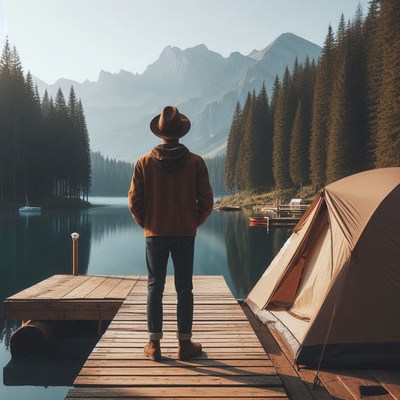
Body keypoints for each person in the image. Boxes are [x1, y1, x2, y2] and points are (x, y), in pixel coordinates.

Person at [128, 105, 214, 361]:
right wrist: (192, 222)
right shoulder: (195, 162)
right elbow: (207, 202)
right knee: (184, 288)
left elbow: (134, 202)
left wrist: (148, 223)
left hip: (154, 234)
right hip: (185, 234)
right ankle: (184, 345)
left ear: (160, 133)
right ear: (180, 132)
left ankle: (154, 345)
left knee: (155, 287)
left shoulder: (143, 162)